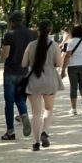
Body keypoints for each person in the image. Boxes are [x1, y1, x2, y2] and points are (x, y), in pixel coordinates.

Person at [23, 20, 62, 150]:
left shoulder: (31, 45)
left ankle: (35, 142)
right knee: (49, 108)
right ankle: (45, 132)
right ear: (50, 30)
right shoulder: (55, 45)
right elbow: (59, 63)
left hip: (34, 81)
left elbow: (24, 64)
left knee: (35, 113)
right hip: (50, 80)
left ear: (38, 30)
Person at [0, 10, 37, 141]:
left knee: (9, 102)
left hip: (10, 70)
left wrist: (1, 54)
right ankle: (24, 114)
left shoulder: (9, 35)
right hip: (24, 71)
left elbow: (6, 54)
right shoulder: (31, 34)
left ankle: (10, 132)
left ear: (12, 22)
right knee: (20, 97)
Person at [61, 23, 82, 113]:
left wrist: (63, 69)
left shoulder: (71, 41)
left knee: (73, 87)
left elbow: (67, 56)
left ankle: (73, 109)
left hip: (73, 66)